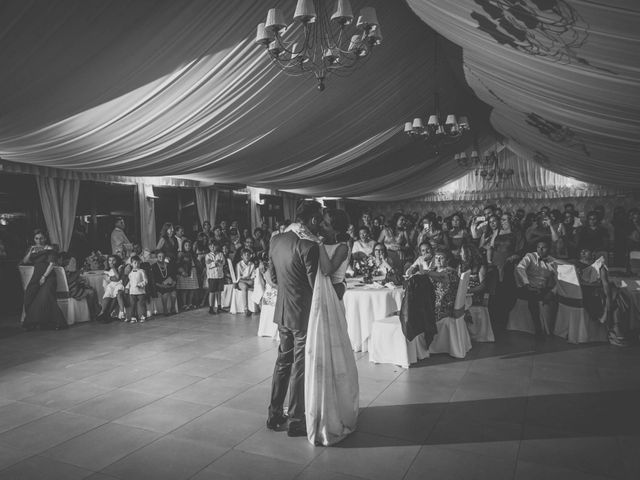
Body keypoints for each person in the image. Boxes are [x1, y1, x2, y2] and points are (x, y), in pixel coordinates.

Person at [267, 200, 321, 438]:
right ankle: (297, 421)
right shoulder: (309, 246)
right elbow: (316, 287)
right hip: (302, 314)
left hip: (282, 312)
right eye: (319, 219)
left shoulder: (275, 240)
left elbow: (273, 278)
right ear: (312, 220)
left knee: (282, 361)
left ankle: (274, 413)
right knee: (299, 365)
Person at [305, 208, 358, 445]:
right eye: (322, 223)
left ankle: (336, 404)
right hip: (318, 300)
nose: (322, 227)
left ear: (336, 227)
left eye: (326, 224)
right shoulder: (321, 242)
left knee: (334, 351)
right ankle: (319, 401)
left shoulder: (342, 246)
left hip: (333, 300)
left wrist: (317, 244)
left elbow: (327, 271)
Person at [21, 229, 67, 330]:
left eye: (41, 238)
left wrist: (44, 277)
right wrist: (30, 251)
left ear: (45, 238)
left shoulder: (50, 248)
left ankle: (55, 322)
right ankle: (36, 322)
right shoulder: (32, 249)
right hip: (36, 276)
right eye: (36, 238)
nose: (39, 240)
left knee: (45, 296)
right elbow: (25, 261)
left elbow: (52, 264)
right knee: (29, 296)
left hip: (48, 276)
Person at [515, 239, 557, 336]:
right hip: (526, 287)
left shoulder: (552, 260)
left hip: (542, 288)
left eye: (544, 248)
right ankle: (538, 329)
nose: (540, 250)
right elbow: (520, 268)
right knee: (533, 298)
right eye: (538, 247)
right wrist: (527, 284)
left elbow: (560, 277)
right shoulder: (530, 256)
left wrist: (553, 292)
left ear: (549, 249)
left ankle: (555, 330)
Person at [424, 249, 460, 322]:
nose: (438, 260)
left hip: (445, 303)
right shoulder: (433, 270)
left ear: (447, 260)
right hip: (434, 299)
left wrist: (424, 272)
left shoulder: (450, 271)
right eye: (436, 258)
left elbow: (440, 276)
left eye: (441, 258)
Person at [98, 254, 126, 322]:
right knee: (107, 294)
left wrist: (113, 269)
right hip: (111, 285)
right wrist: (110, 278)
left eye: (113, 260)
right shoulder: (108, 269)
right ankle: (102, 312)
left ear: (117, 261)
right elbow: (106, 278)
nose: (111, 262)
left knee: (116, 293)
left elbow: (117, 278)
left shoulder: (120, 267)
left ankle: (121, 313)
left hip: (119, 284)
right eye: (110, 260)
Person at [151, 250, 177, 316]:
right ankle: (165, 309)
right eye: (159, 256)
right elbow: (154, 279)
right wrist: (162, 284)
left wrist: (173, 282)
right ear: (157, 257)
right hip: (159, 285)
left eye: (163, 256)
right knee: (165, 294)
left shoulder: (168, 265)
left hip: (168, 284)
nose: (161, 258)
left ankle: (173, 308)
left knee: (174, 293)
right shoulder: (154, 266)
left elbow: (173, 275)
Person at [176, 239, 199, 310]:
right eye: (186, 245)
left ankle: (190, 303)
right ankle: (184, 304)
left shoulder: (192, 253)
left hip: (192, 271)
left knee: (192, 289)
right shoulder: (181, 254)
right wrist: (182, 272)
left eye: (189, 245)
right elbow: (177, 264)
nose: (188, 247)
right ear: (183, 246)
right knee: (184, 290)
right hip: (184, 272)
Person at [205, 241, 225, 314]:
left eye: (214, 246)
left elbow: (223, 263)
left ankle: (219, 307)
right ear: (209, 247)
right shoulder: (208, 255)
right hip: (212, 276)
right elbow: (209, 265)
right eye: (211, 246)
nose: (213, 248)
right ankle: (211, 308)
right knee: (212, 292)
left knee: (219, 292)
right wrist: (216, 262)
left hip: (220, 275)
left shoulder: (220, 254)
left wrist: (214, 262)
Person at [126, 255, 148, 323]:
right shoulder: (130, 273)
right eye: (135, 263)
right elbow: (130, 281)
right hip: (132, 292)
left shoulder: (141, 271)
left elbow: (146, 281)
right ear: (131, 264)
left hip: (140, 291)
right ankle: (133, 317)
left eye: (138, 263)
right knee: (132, 305)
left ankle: (143, 316)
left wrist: (140, 285)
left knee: (142, 304)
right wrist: (127, 287)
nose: (137, 264)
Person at [235, 248, 256, 315]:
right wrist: (247, 281)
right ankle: (246, 308)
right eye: (245, 255)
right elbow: (238, 278)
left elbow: (253, 277)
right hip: (241, 282)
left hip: (249, 281)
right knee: (244, 287)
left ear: (250, 256)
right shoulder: (239, 265)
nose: (247, 256)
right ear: (242, 256)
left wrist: (250, 281)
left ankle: (257, 308)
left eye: (248, 255)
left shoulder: (252, 264)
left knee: (256, 284)